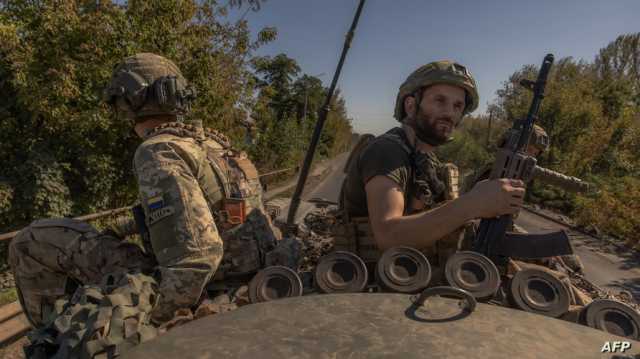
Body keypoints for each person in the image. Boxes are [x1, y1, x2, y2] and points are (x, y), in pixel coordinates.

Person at [9, 53, 285, 357]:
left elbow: (198, 258)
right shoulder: (214, 145)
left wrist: (151, 320)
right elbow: (202, 211)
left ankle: (51, 332)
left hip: (202, 283)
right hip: (244, 273)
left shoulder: (157, 150)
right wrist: (121, 227)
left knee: (31, 241)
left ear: (129, 100)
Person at [336, 60, 526, 267]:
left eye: (457, 106)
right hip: (372, 283)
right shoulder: (387, 151)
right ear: (410, 105)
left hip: (412, 275)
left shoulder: (429, 163)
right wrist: (473, 204)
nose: (450, 113)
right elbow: (389, 236)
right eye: (440, 101)